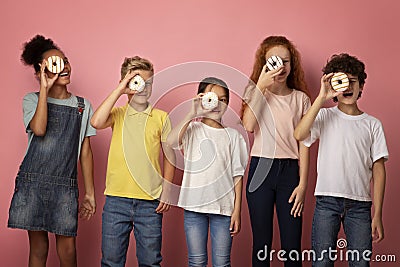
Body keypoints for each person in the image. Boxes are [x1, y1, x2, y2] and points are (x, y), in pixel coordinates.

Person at [8, 34, 96, 267]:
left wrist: (90, 192)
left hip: (65, 186)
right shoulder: (32, 100)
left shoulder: (82, 106)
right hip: (32, 183)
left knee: (68, 250)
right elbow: (38, 129)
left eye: (65, 61)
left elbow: (85, 151)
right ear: (40, 72)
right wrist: (44, 89)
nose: (64, 67)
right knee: (38, 248)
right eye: (55, 64)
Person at [294, 53, 388, 266]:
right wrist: (321, 97)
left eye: (352, 81)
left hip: (360, 206)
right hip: (327, 201)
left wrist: (378, 213)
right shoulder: (325, 116)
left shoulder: (372, 124)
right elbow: (299, 135)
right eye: (340, 82)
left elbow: (379, 170)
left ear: (361, 86)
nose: (347, 87)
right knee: (322, 262)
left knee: (360, 263)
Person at [90, 56, 175, 267]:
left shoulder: (161, 117)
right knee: (111, 261)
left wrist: (167, 190)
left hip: (150, 202)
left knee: (150, 260)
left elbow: (170, 155)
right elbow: (96, 121)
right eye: (137, 83)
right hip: (116, 201)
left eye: (149, 84)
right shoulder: (117, 114)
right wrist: (120, 89)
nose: (143, 89)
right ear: (127, 84)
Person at [241, 36, 311, 266]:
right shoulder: (257, 93)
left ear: (292, 65)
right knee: (261, 241)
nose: (280, 67)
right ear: (264, 64)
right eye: (273, 61)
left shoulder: (301, 99)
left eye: (285, 61)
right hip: (261, 168)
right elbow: (249, 126)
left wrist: (302, 185)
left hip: (290, 171)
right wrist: (261, 85)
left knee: (292, 243)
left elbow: (305, 144)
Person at [166, 77, 248, 267]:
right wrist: (191, 113)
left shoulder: (234, 136)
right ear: (202, 98)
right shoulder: (193, 129)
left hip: (224, 209)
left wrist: (237, 211)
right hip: (194, 207)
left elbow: (238, 175)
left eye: (224, 99)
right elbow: (170, 142)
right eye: (213, 98)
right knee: (196, 262)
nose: (218, 104)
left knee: (222, 263)